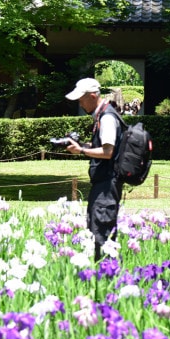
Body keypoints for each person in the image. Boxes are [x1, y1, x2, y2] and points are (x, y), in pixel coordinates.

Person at [63, 78, 123, 262]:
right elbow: (101, 146)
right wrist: (82, 145)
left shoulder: (107, 117)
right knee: (98, 231)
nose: (80, 103)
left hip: (107, 185)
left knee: (101, 236)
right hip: (104, 184)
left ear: (92, 96)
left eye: (81, 99)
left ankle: (107, 279)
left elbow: (108, 151)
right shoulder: (102, 115)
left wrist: (81, 150)